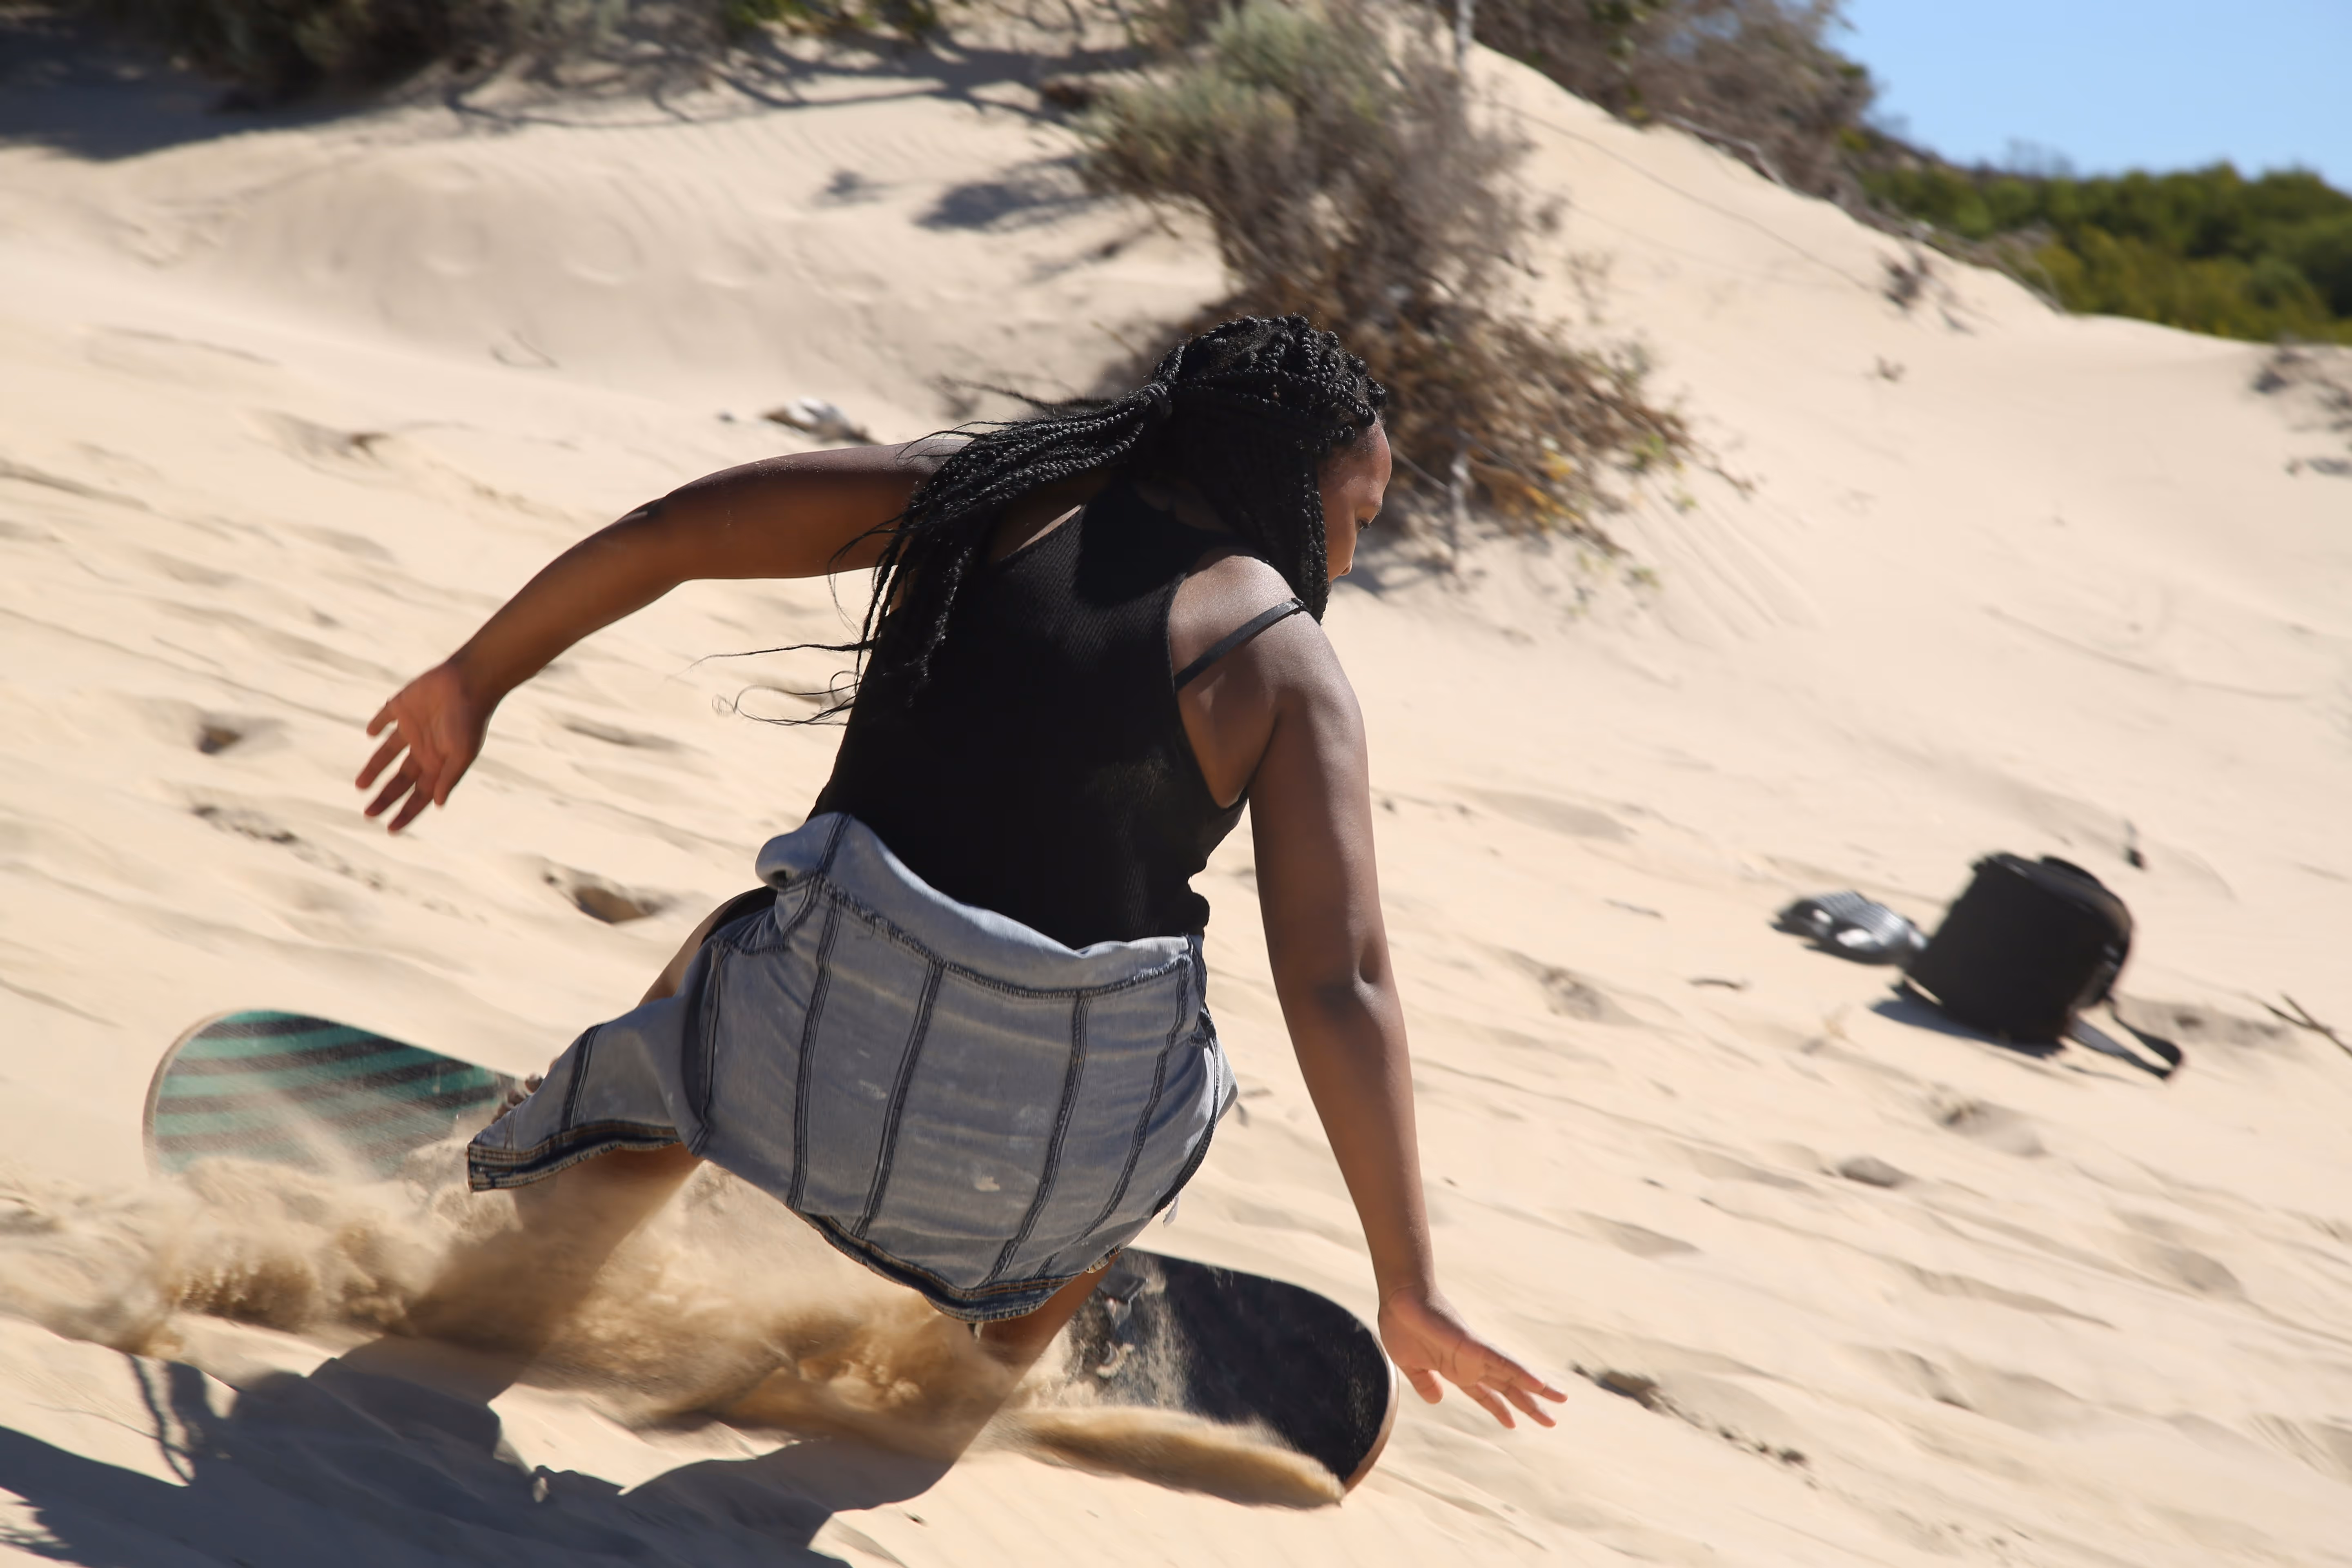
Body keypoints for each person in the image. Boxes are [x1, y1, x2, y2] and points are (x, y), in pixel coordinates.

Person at [357, 315, 1564, 1431]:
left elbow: (676, 532)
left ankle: (559, 1231)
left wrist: (476, 677)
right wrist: (1409, 1283)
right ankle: (976, 1374)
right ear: (1292, 493)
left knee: (733, 944)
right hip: (1041, 1179)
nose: (1347, 558)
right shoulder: (1287, 667)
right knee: (1176, 1076)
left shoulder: (980, 503)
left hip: (791, 1070)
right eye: (1359, 515)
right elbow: (1338, 982)